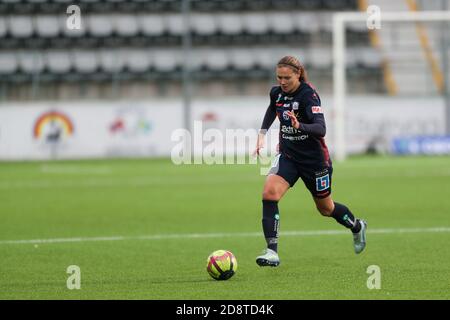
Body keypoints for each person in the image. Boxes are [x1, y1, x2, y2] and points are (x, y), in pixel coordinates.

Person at [253, 56, 367, 267]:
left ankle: (357, 226)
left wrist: (300, 127)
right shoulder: (276, 92)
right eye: (279, 77)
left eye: (287, 77)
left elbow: (320, 129)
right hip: (288, 156)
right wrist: (262, 134)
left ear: (298, 74)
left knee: (326, 208)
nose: (282, 82)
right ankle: (272, 251)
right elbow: (272, 109)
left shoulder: (308, 96)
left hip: (315, 162)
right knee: (269, 193)